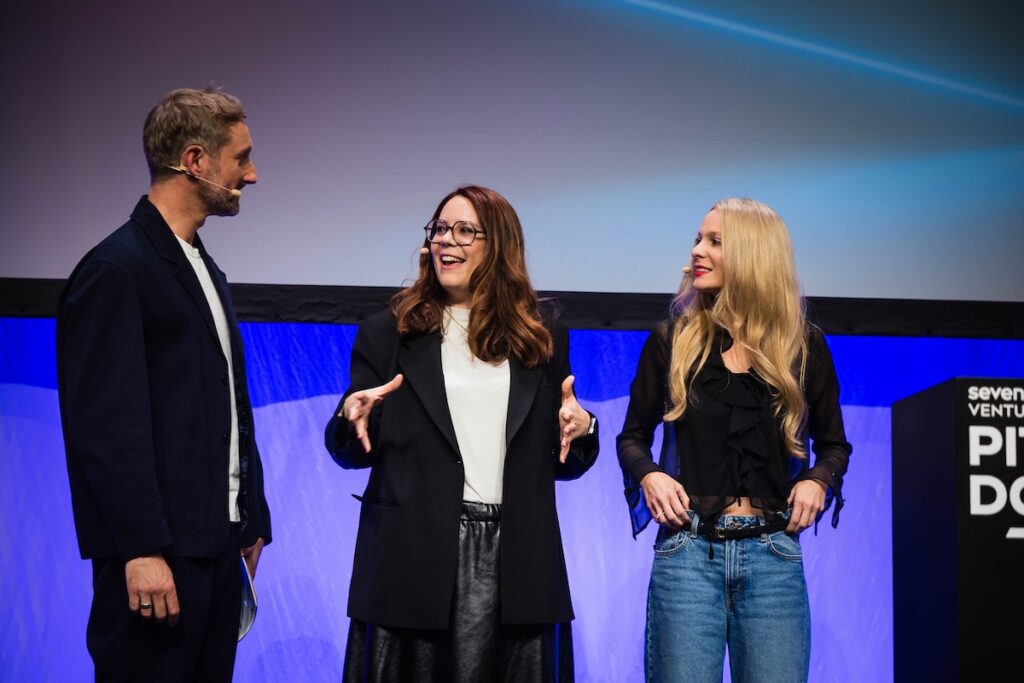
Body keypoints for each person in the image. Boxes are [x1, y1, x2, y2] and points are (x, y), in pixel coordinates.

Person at [325, 185, 599, 682]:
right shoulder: (389, 332)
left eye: (464, 230)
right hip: (413, 562)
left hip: (517, 563)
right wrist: (350, 418)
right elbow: (352, 452)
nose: (445, 241)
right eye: (438, 230)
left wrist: (582, 430)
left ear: (498, 246)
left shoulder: (541, 337)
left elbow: (564, 461)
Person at [57, 86, 272, 682]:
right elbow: (107, 428)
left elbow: (227, 406)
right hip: (160, 561)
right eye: (240, 158)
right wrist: (140, 548)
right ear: (196, 161)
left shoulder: (201, 264)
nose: (251, 175)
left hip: (215, 550)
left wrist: (251, 517)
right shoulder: (116, 270)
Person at [616, 198, 851, 683]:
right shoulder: (672, 340)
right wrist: (651, 474)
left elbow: (834, 446)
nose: (697, 251)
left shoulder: (802, 346)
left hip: (774, 556)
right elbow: (632, 437)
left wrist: (818, 481)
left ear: (753, 254)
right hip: (687, 556)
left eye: (715, 241)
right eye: (698, 239)